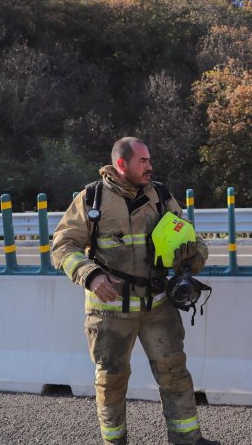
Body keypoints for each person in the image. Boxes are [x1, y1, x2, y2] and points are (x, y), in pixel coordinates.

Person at [51, 137, 219, 445]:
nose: (150, 166)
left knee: (174, 373)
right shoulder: (92, 199)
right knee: (111, 382)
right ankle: (115, 442)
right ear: (121, 164)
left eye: (150, 160)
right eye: (143, 161)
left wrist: (192, 256)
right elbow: (62, 246)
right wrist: (90, 275)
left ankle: (187, 440)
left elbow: (193, 241)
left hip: (157, 305)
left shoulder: (160, 195)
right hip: (109, 311)